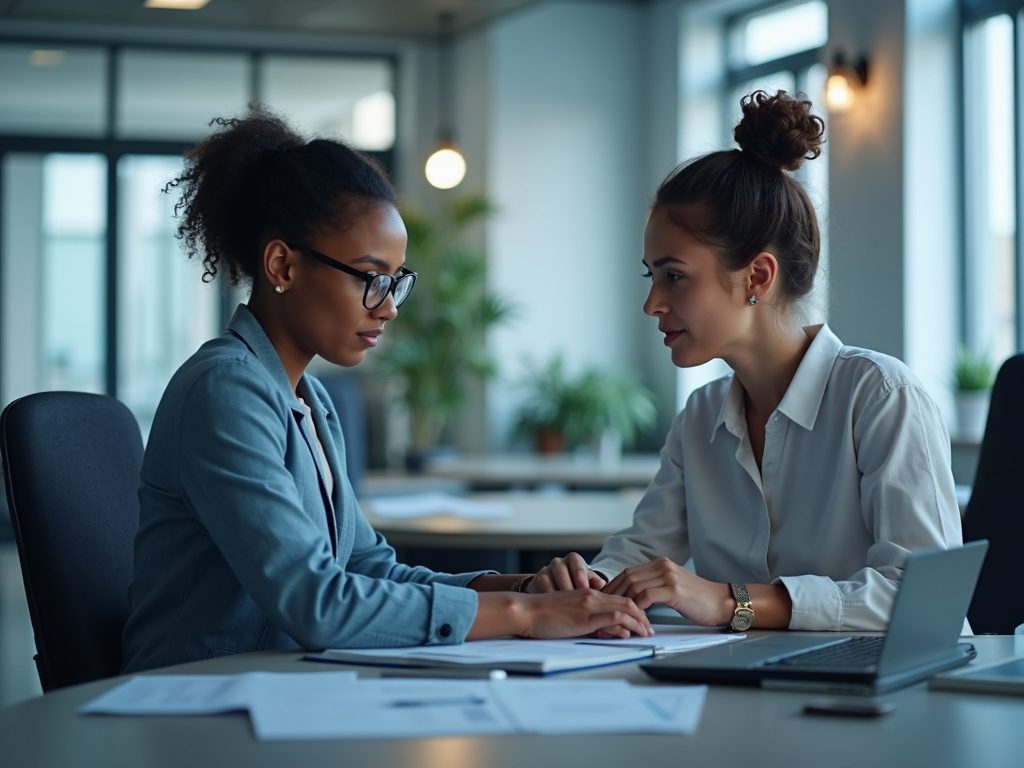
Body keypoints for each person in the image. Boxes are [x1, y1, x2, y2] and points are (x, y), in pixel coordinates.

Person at [120, 107, 652, 674]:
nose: (390, 306)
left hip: (282, 688)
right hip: (195, 703)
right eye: (371, 278)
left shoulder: (310, 403)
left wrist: (528, 588)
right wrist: (521, 614)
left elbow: (371, 570)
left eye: (397, 281)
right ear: (282, 265)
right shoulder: (226, 391)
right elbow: (319, 604)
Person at [525, 90, 964, 633]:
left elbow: (924, 599)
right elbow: (639, 554)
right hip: (749, 692)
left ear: (757, 276)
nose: (652, 303)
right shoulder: (701, 417)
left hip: (892, 702)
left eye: (675, 276)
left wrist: (730, 601)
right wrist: (587, 583)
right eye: (651, 276)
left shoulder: (880, 396)